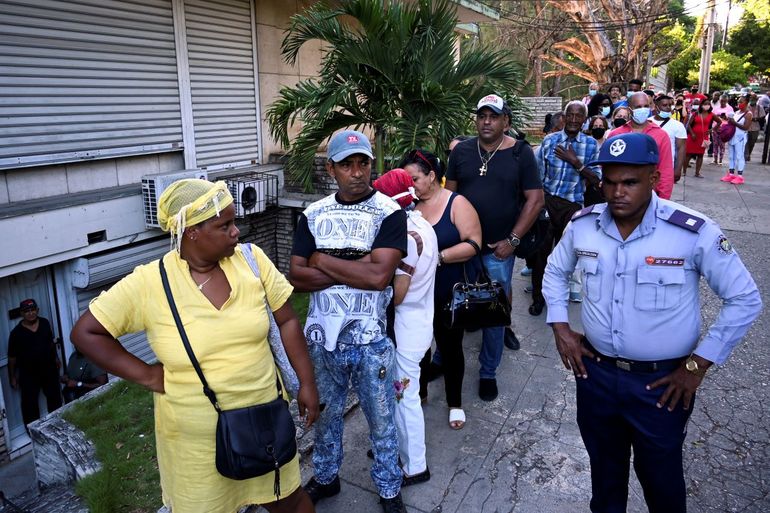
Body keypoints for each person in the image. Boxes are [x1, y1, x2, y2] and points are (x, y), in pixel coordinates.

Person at [542, 132, 762, 513]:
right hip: (595, 377)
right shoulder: (583, 225)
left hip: (660, 386)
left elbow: (744, 298)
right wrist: (561, 327)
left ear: (653, 178)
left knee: (661, 482)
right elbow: (554, 272)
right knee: (605, 478)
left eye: (629, 182)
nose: (616, 193)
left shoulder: (691, 232)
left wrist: (698, 365)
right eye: (609, 182)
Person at [71, 179, 320, 513]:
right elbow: (87, 332)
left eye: (234, 221)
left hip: (266, 425)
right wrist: (146, 375)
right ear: (191, 232)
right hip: (194, 445)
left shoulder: (252, 261)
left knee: (291, 503)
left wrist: (306, 382)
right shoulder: (150, 283)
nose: (237, 231)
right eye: (224, 225)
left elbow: (287, 320)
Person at [290, 130, 408, 513]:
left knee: (382, 420)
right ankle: (326, 478)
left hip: (372, 340)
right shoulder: (313, 215)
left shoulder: (389, 213)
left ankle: (390, 489)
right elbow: (296, 276)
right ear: (331, 168)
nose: (356, 172)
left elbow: (379, 278)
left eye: (363, 163)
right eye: (347, 164)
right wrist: (359, 266)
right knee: (324, 418)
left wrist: (322, 260)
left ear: (372, 164)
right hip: (323, 339)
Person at [445, 94, 544, 402]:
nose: (486, 121)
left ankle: (488, 371)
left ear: (506, 122)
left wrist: (512, 240)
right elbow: (448, 196)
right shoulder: (461, 151)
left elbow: (535, 199)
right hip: (461, 248)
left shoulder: (520, 154)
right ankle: (441, 359)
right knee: (449, 305)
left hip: (498, 251)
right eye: (482, 115)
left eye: (494, 116)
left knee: (493, 314)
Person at [371, 167, 437, 484]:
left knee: (404, 397)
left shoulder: (408, 238)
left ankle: (415, 466)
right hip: (419, 322)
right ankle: (397, 449)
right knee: (400, 394)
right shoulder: (421, 223)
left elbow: (396, 296)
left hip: (408, 329)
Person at [407, 149, 482, 429]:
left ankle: (454, 403)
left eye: (414, 178)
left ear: (431, 176)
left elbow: (474, 243)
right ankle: (421, 392)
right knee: (418, 348)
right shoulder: (407, 205)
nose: (410, 184)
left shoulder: (456, 203)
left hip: (448, 292)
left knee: (450, 349)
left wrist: (436, 257)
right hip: (415, 296)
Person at [531, 101, 601, 312]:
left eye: (578, 116)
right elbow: (538, 173)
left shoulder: (590, 145)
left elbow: (597, 179)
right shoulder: (550, 140)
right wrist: (539, 202)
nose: (573, 119)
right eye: (569, 115)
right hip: (548, 201)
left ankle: (557, 299)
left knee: (564, 257)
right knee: (540, 253)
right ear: (564, 117)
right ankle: (537, 298)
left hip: (572, 205)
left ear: (584, 119)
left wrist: (576, 162)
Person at [607, 92, 674, 199]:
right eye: (638, 107)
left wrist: (663, 199)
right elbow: (606, 168)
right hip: (619, 195)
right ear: (629, 110)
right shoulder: (616, 135)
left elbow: (665, 171)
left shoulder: (661, 135)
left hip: (649, 197)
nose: (643, 109)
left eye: (646, 106)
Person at [7, 299, 62, 426]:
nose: (30, 313)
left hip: (49, 369)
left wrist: (56, 358)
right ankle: (34, 430)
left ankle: (58, 423)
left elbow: (50, 343)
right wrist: (12, 377)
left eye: (33, 310)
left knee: (54, 398)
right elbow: (12, 358)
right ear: (22, 313)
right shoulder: (16, 333)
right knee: (29, 404)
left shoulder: (44, 323)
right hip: (28, 375)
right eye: (27, 311)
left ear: (37, 310)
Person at [651, 95, 686, 183]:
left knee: (663, 194)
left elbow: (681, 148)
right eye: (664, 105)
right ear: (656, 107)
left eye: (670, 105)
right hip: (647, 165)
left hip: (667, 167)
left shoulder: (678, 126)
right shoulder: (648, 122)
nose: (668, 108)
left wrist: (678, 170)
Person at [720, 95, 753, 185]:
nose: (739, 103)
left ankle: (740, 176)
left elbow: (746, 127)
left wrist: (734, 123)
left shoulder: (748, 114)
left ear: (746, 103)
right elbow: (732, 124)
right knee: (731, 156)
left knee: (739, 156)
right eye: (738, 101)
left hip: (740, 138)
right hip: (732, 137)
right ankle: (731, 174)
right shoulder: (737, 112)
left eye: (741, 102)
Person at [684, 98, 720, 178]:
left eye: (708, 104)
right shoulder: (696, 113)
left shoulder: (711, 114)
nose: (706, 106)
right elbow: (689, 124)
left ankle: (697, 173)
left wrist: (712, 130)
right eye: (705, 104)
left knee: (700, 155)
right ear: (701, 105)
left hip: (703, 137)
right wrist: (692, 133)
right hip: (693, 137)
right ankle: (684, 171)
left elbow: (719, 122)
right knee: (688, 154)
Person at [711, 94, 735, 165]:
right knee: (715, 144)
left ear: (727, 101)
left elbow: (732, 120)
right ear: (719, 100)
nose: (723, 103)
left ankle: (720, 160)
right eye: (721, 101)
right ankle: (715, 160)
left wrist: (726, 118)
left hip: (724, 130)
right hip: (715, 128)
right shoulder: (716, 108)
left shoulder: (730, 108)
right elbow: (711, 116)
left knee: (722, 145)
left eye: (724, 101)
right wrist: (717, 117)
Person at [745, 94, 766, 162]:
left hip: (755, 128)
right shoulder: (746, 106)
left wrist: (756, 119)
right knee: (746, 142)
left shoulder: (760, 107)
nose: (752, 101)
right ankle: (746, 155)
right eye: (751, 99)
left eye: (754, 99)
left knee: (752, 142)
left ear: (756, 100)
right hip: (746, 127)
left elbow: (763, 117)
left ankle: (749, 154)